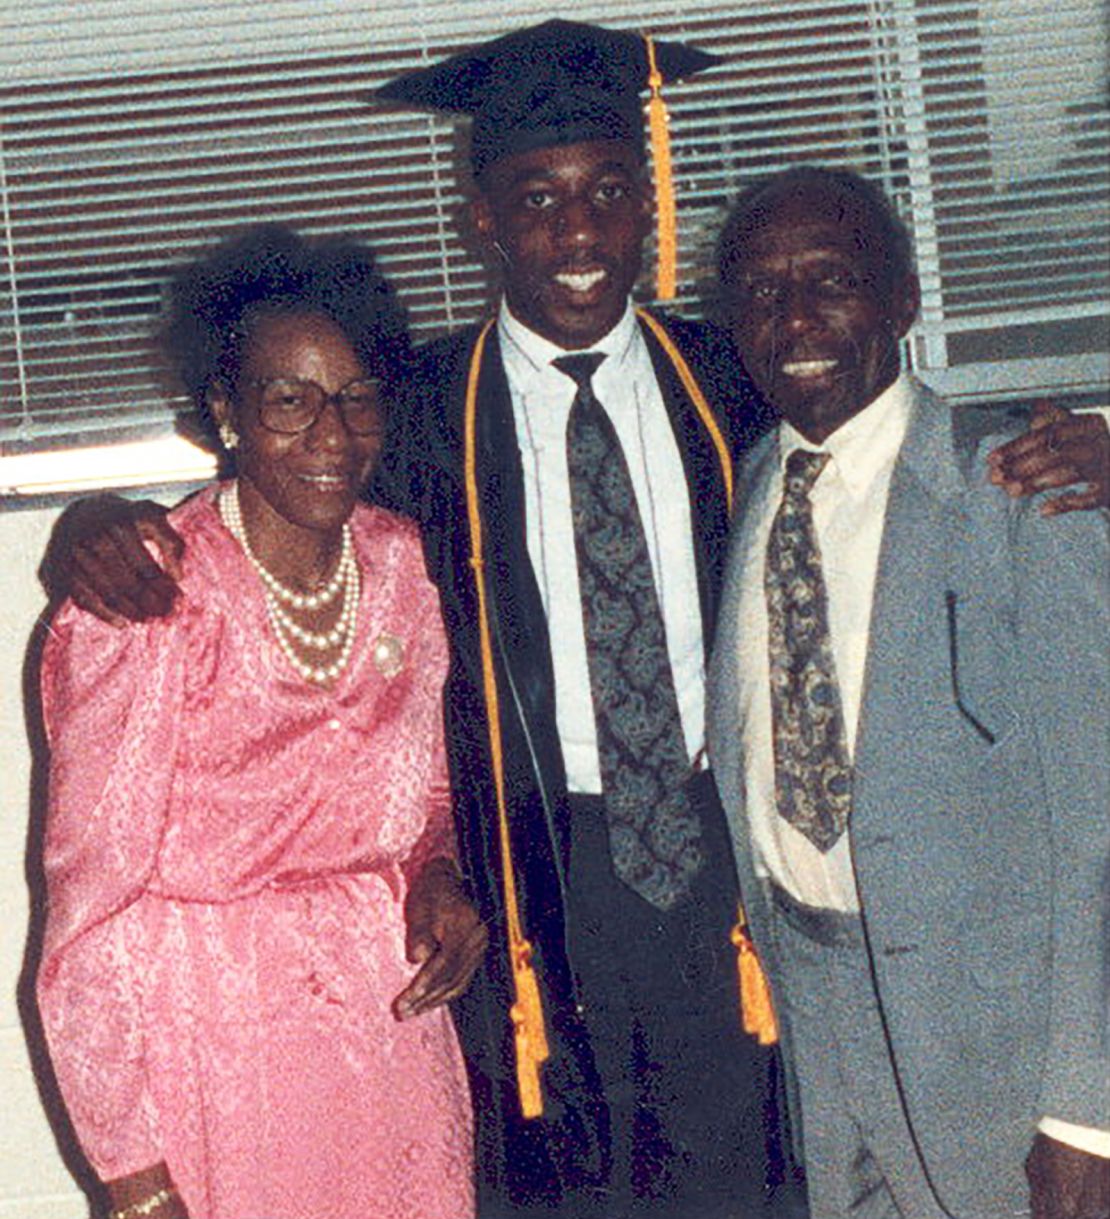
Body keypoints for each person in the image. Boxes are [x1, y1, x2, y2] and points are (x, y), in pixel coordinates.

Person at [40, 23, 1108, 1219]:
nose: (579, 233)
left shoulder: (738, 369)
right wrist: (98, 516)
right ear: (482, 217)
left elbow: (888, 424)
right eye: (536, 199)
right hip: (533, 889)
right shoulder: (414, 422)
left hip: (729, 889)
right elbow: (269, 475)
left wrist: (1090, 445)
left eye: (608, 192)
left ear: (647, 202)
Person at [35, 224, 483, 1219]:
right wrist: (134, 1172)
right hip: (213, 1046)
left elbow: (431, 791)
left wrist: (436, 874)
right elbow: (86, 919)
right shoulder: (149, 599)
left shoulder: (408, 567)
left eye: (356, 396)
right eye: (290, 400)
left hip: (388, 1043)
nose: (332, 433)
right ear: (226, 412)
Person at [706, 165, 1109, 1219]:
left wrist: (1087, 1110)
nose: (795, 317)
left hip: (1003, 1047)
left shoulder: (1020, 485)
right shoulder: (755, 483)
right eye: (760, 291)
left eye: (832, 280)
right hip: (819, 1006)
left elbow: (1100, 824)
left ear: (902, 301)